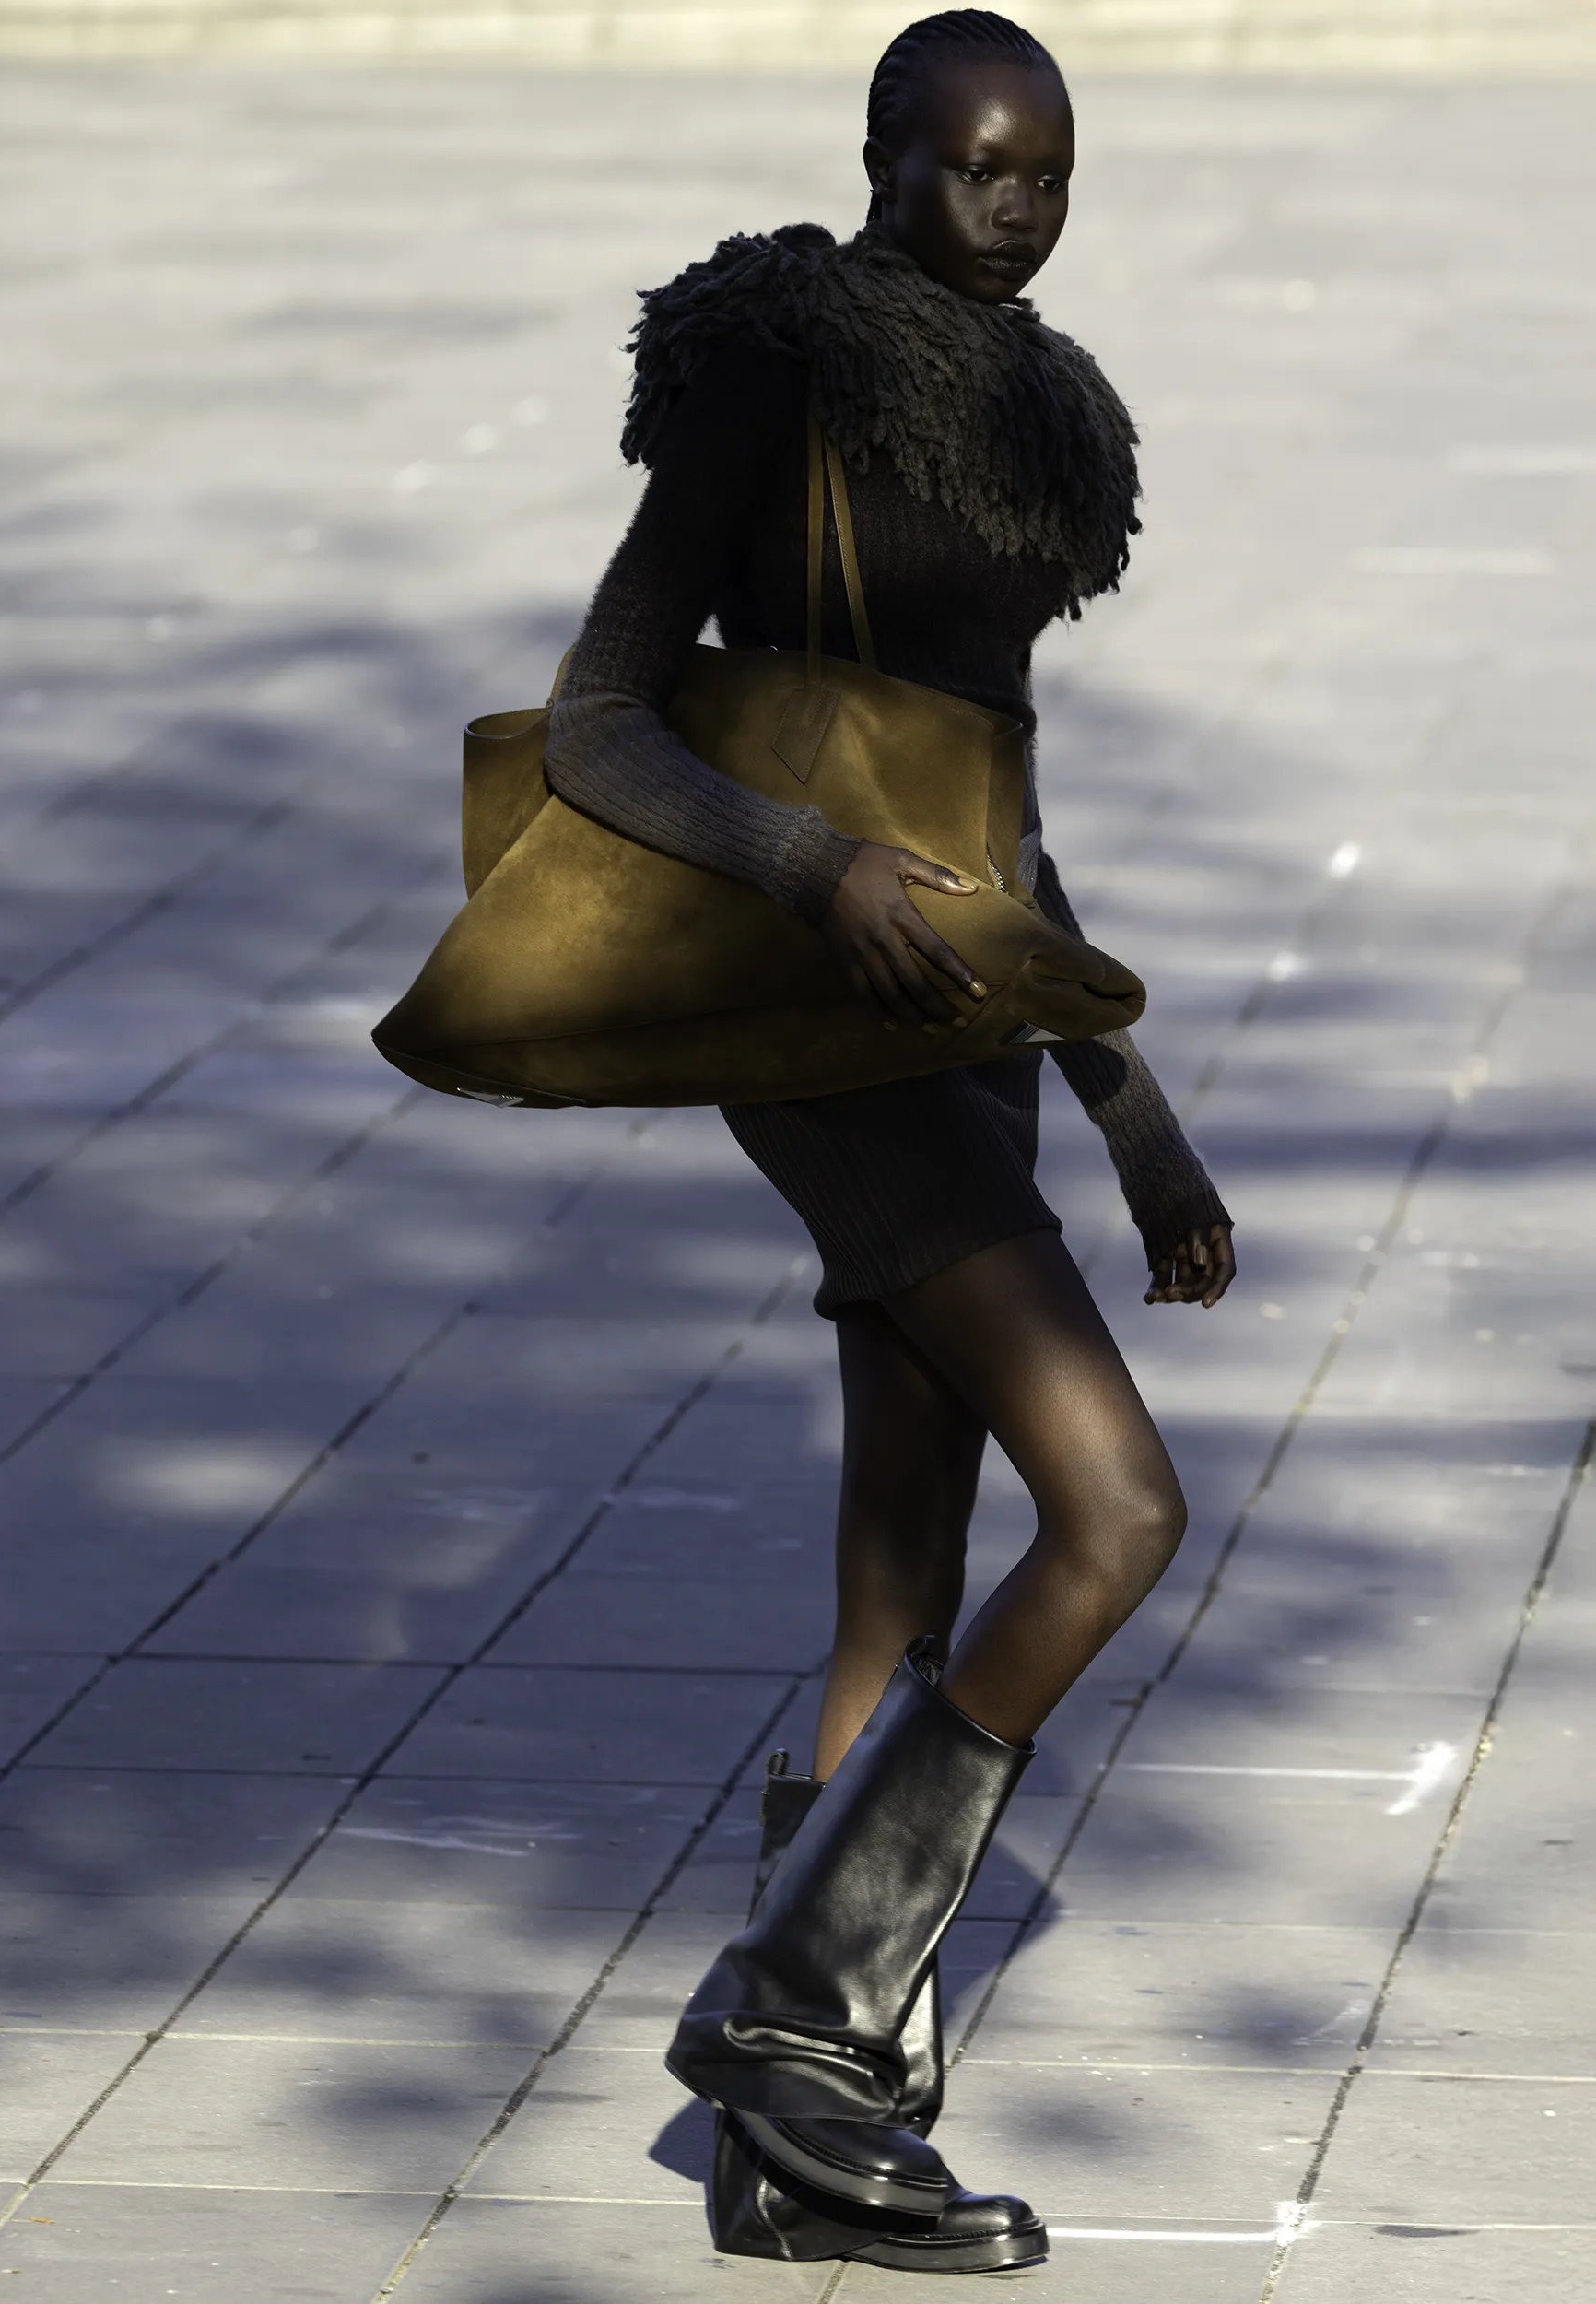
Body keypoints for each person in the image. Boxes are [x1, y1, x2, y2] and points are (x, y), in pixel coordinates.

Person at [543, 8, 1236, 2275]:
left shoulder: (1042, 413)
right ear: (882, 161)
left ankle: (797, 2164)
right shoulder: (779, 362)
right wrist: (808, 867)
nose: (1019, 207)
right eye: (976, 168)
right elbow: (599, 720)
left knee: (898, 1579)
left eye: (1050, 169)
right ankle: (798, 2014)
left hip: (973, 1025)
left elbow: (999, 810)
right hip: (821, 1016)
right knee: (1117, 1508)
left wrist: (1129, 1110)